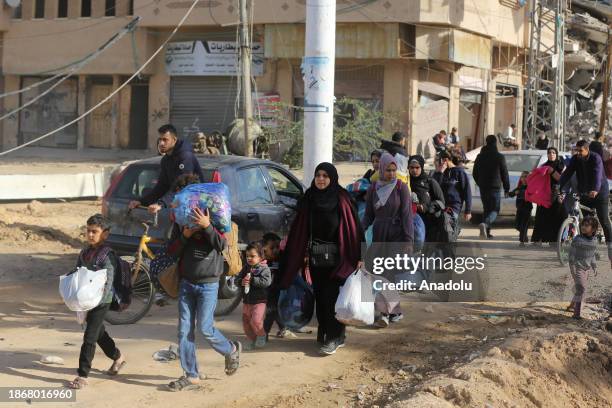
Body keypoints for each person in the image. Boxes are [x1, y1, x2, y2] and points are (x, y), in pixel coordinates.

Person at [281, 163, 363, 356]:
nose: (321, 179)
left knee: (333, 297)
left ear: (332, 178)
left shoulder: (342, 198)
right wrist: (297, 253)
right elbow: (300, 228)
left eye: (325, 176)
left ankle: (335, 337)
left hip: (340, 256)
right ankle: (325, 332)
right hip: (317, 256)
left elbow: (355, 229)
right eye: (318, 175)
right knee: (320, 296)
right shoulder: (309, 198)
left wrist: (359, 256)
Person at [166, 206, 241, 391]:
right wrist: (185, 235)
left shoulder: (216, 220)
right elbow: (172, 251)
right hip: (187, 284)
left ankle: (230, 350)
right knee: (184, 331)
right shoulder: (182, 223)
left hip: (208, 285)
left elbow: (222, 245)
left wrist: (207, 226)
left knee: (205, 328)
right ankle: (191, 375)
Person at [67, 214, 125, 389]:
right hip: (85, 301)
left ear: (105, 234)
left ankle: (82, 375)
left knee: (89, 337)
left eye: (95, 231)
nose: (91, 235)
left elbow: (109, 280)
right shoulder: (85, 252)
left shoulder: (107, 255)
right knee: (98, 332)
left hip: (101, 301)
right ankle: (118, 357)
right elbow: (77, 272)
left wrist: (99, 300)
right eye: (88, 231)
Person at [362, 153, 413, 327]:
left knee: (388, 274)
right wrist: (357, 230)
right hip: (379, 234)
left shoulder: (401, 187)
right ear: (382, 169)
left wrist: (408, 241)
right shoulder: (373, 188)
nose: (391, 174)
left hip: (396, 235)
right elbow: (368, 215)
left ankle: (385, 313)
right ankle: (394, 311)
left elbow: (407, 215)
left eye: (394, 170)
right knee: (378, 273)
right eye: (388, 170)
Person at [128, 124, 205, 214]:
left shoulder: (185, 157)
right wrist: (141, 201)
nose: (161, 143)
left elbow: (183, 188)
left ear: (174, 140)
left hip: (195, 210)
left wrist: (161, 204)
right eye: (160, 139)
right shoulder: (165, 160)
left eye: (165, 140)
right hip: (179, 208)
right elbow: (161, 187)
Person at [560, 139, 612, 268]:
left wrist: (595, 189)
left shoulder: (596, 158)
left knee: (604, 220)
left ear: (587, 149)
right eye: (576, 150)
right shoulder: (576, 159)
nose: (578, 153)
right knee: (586, 223)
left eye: (580, 150)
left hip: (599, 193)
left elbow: (598, 174)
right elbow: (567, 173)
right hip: (584, 192)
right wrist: (559, 187)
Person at [235, 242, 272, 350]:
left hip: (259, 301)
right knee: (246, 324)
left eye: (253, 256)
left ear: (260, 257)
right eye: (247, 256)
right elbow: (237, 279)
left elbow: (266, 282)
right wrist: (240, 282)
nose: (249, 258)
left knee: (256, 320)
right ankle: (253, 340)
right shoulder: (246, 267)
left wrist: (252, 280)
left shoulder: (264, 268)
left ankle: (261, 336)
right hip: (247, 301)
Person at [473, 135, 510, 239]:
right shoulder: (499, 156)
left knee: (487, 209)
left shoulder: (480, 156)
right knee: (495, 210)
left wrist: (480, 183)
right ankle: (485, 224)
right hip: (495, 188)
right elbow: (505, 174)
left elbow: (474, 172)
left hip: (483, 187)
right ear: (495, 143)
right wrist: (507, 188)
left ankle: (486, 233)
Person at [432, 150, 472, 240]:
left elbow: (467, 191)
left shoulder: (459, 173)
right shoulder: (438, 173)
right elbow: (434, 187)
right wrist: (439, 173)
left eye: (438, 160)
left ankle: (450, 249)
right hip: (440, 206)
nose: (436, 162)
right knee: (440, 231)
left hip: (454, 207)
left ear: (445, 160)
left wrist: (468, 211)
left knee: (448, 231)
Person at [531, 147, 566, 245]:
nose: (551, 154)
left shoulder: (561, 166)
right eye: (549, 153)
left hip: (557, 193)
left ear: (556, 154)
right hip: (544, 195)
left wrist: (552, 171)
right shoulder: (543, 165)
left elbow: (561, 179)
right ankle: (538, 239)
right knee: (542, 217)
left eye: (553, 153)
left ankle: (554, 240)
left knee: (556, 216)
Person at [566, 216, 599, 320]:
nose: (583, 227)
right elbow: (571, 254)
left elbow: (592, 255)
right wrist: (572, 268)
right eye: (583, 225)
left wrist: (594, 266)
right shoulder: (578, 239)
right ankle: (576, 314)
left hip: (587, 269)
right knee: (582, 289)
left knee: (579, 290)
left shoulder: (594, 240)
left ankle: (571, 306)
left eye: (586, 225)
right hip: (577, 268)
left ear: (593, 229)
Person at [408, 154, 445, 239]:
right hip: (409, 221)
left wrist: (426, 207)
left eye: (417, 168)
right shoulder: (406, 182)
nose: (414, 170)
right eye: (412, 167)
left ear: (422, 167)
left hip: (428, 221)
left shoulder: (429, 181)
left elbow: (441, 201)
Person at [261, 233, 288, 339]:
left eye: (277, 247)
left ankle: (264, 334)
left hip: (276, 291)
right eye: (272, 248)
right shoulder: (259, 260)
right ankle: (283, 327)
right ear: (263, 248)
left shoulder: (281, 258)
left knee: (271, 311)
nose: (276, 250)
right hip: (264, 291)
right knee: (274, 311)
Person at [508, 171, 532, 246]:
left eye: (526, 177)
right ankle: (524, 237)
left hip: (527, 208)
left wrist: (523, 193)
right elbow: (511, 194)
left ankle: (522, 240)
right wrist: (513, 193)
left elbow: (533, 194)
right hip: (520, 208)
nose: (524, 178)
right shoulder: (519, 187)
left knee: (524, 225)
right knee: (518, 225)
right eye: (522, 177)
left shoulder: (530, 187)